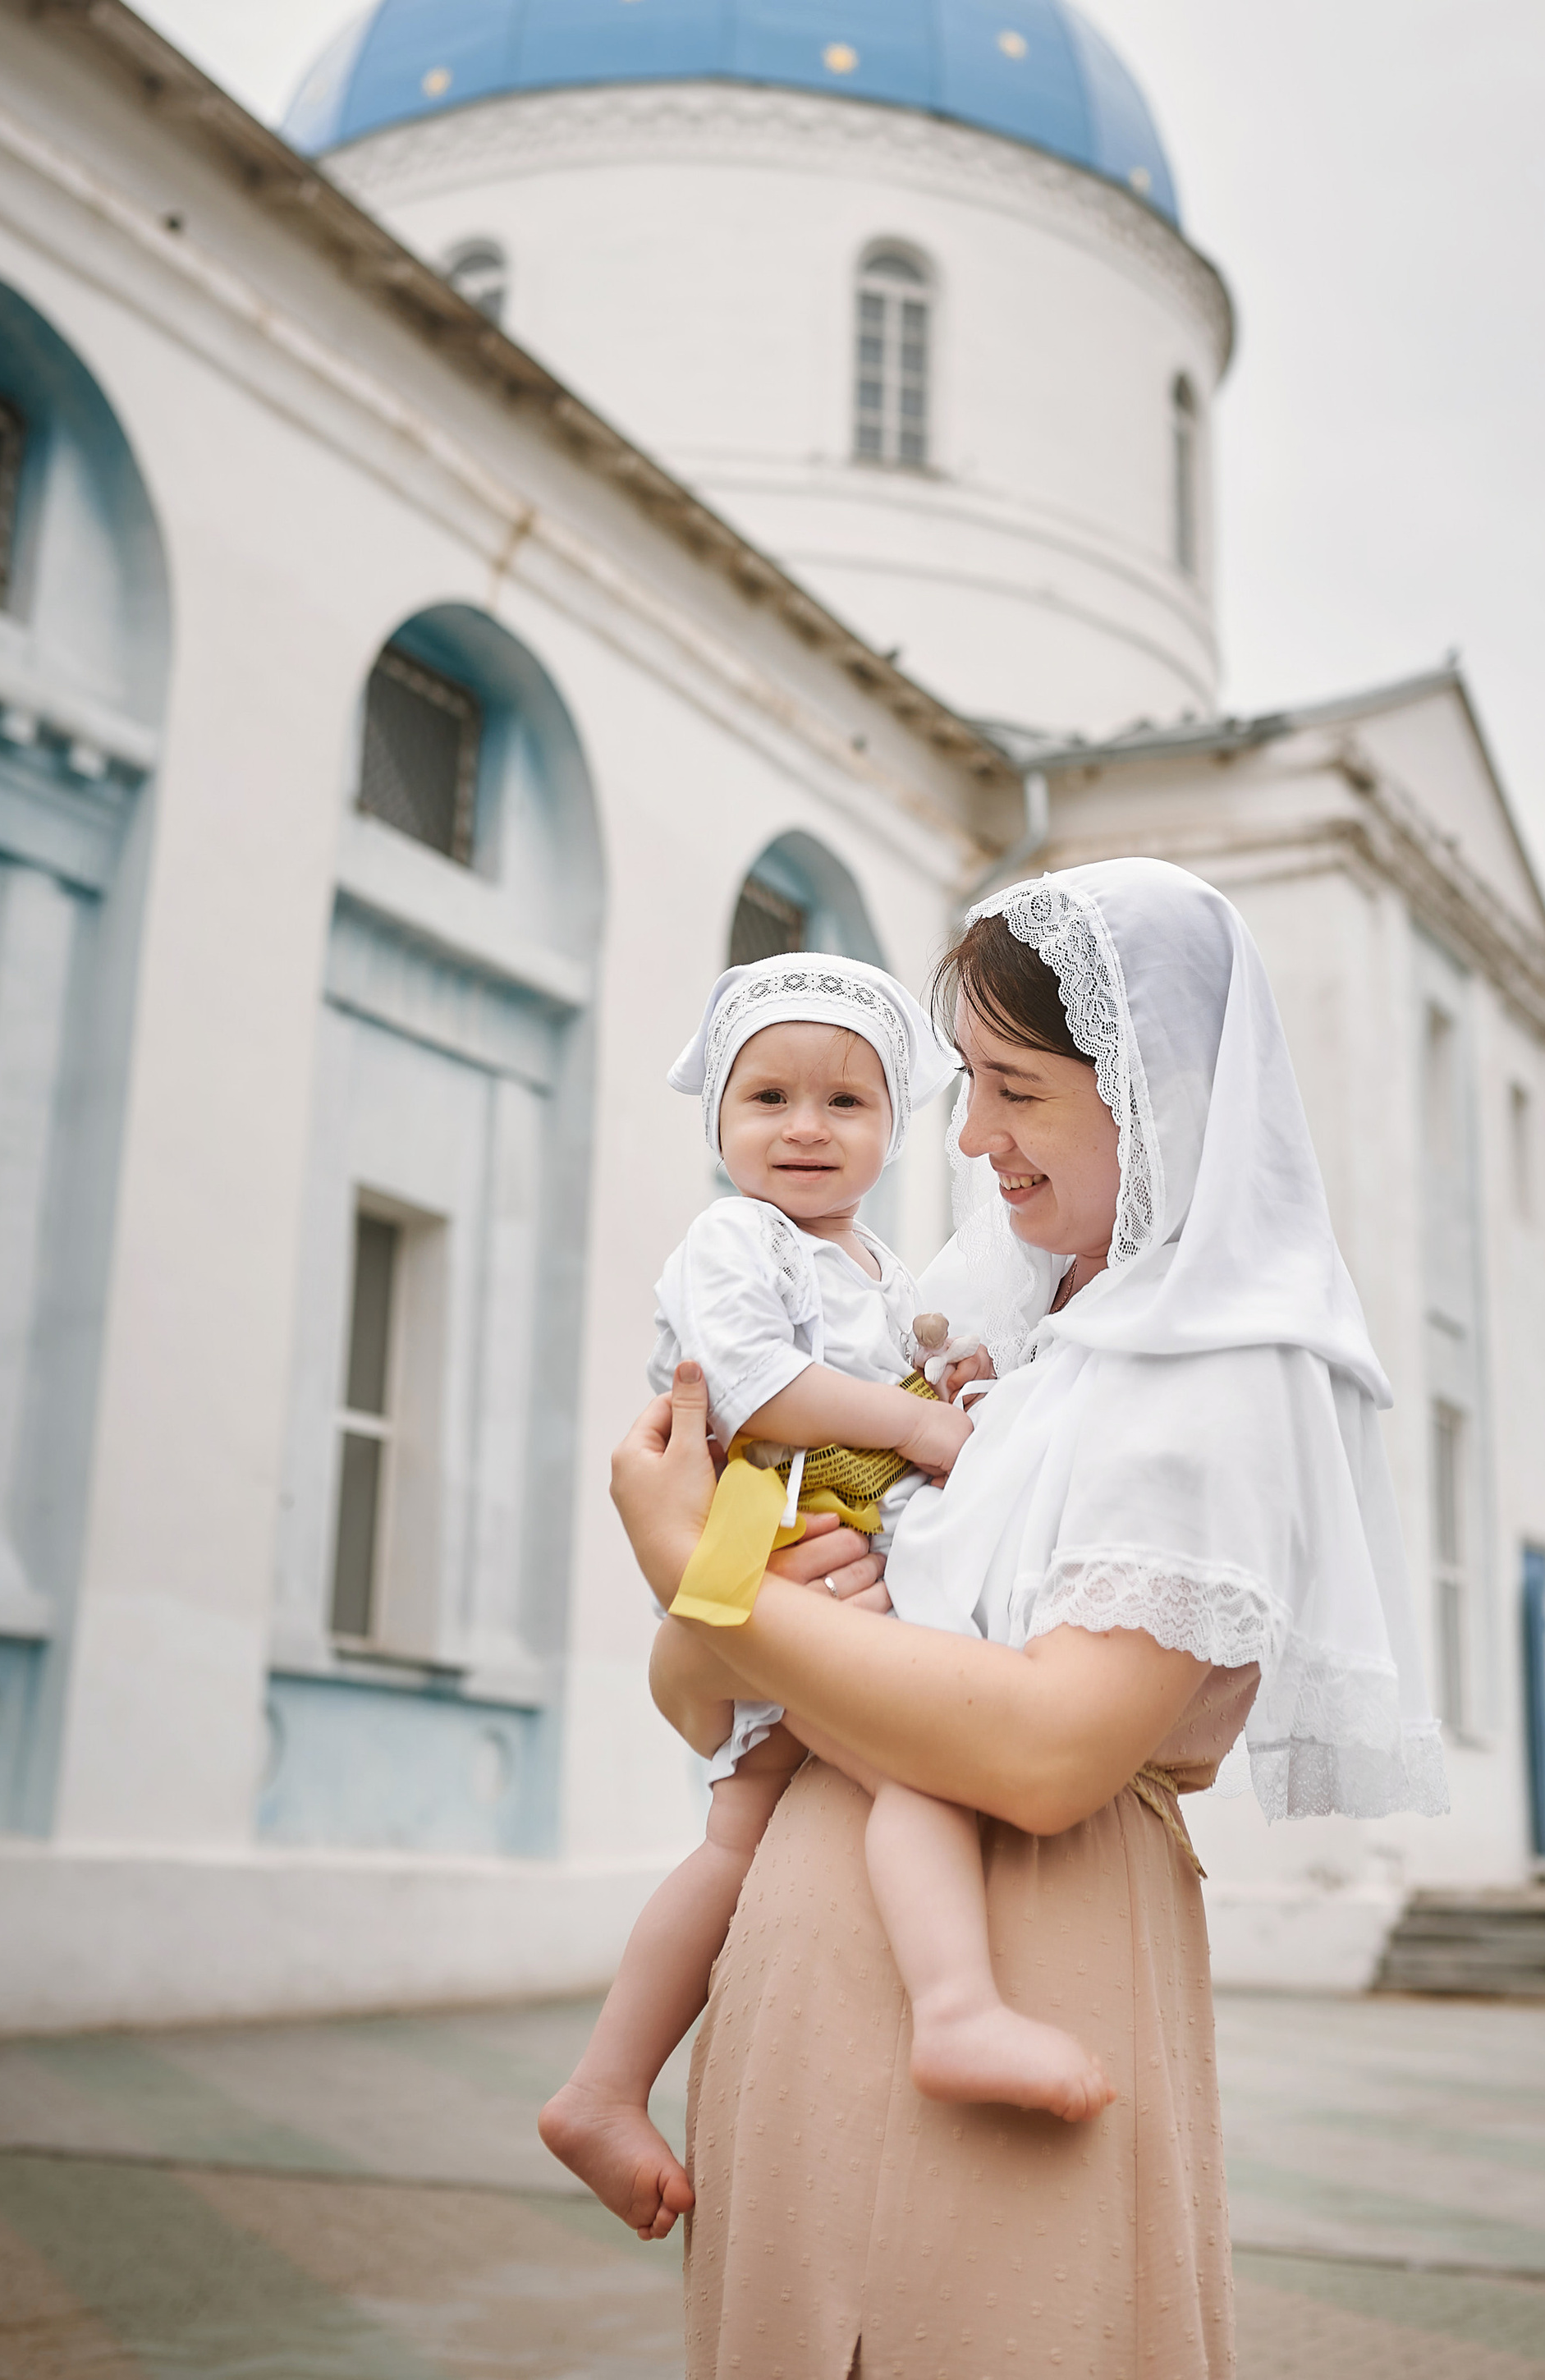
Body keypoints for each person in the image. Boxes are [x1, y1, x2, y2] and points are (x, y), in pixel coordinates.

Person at [612, 860, 1449, 2380]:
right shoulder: (985, 1339)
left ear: (1160, 1094)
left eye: (1018, 1089)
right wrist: (708, 1595)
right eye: (972, 1088)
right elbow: (699, 1695)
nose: (974, 1135)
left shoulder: (1220, 1367)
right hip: (796, 2002)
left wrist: (705, 1577)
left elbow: (1054, 1756)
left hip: (1034, 1958)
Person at [541, 951, 1106, 2249]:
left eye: (847, 1104)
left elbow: (919, 1367)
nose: (806, 1128)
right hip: (767, 1521)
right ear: (721, 1123)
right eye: (770, 1100)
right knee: (913, 1771)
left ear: (897, 1128)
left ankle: (601, 2089)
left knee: (740, 1839)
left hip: (837, 1531)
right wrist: (922, 1435)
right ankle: (953, 2007)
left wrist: (952, 1377)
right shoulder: (733, 1239)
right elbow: (748, 1387)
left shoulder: (878, 1267)